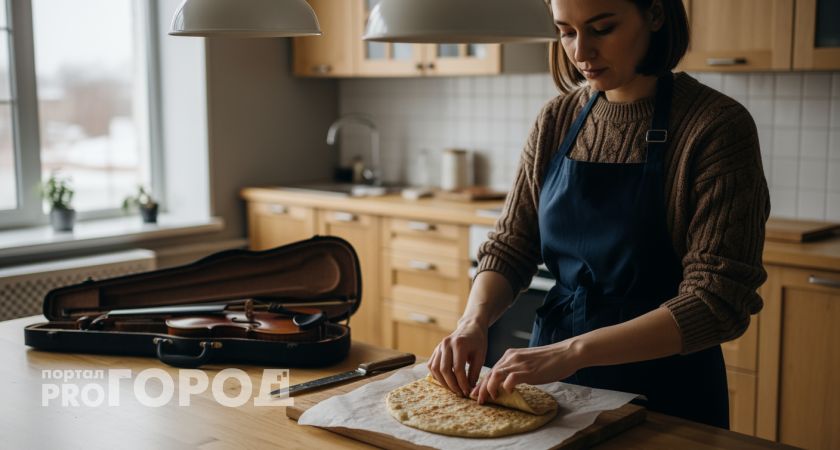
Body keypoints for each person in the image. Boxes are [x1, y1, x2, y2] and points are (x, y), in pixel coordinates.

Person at [427, 0, 770, 429]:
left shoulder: (715, 126)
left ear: (655, 14)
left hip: (666, 391)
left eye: (602, 29)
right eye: (566, 31)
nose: (580, 52)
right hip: (549, 385)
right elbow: (512, 243)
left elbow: (717, 300)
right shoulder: (558, 118)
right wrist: (471, 321)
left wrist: (572, 351)